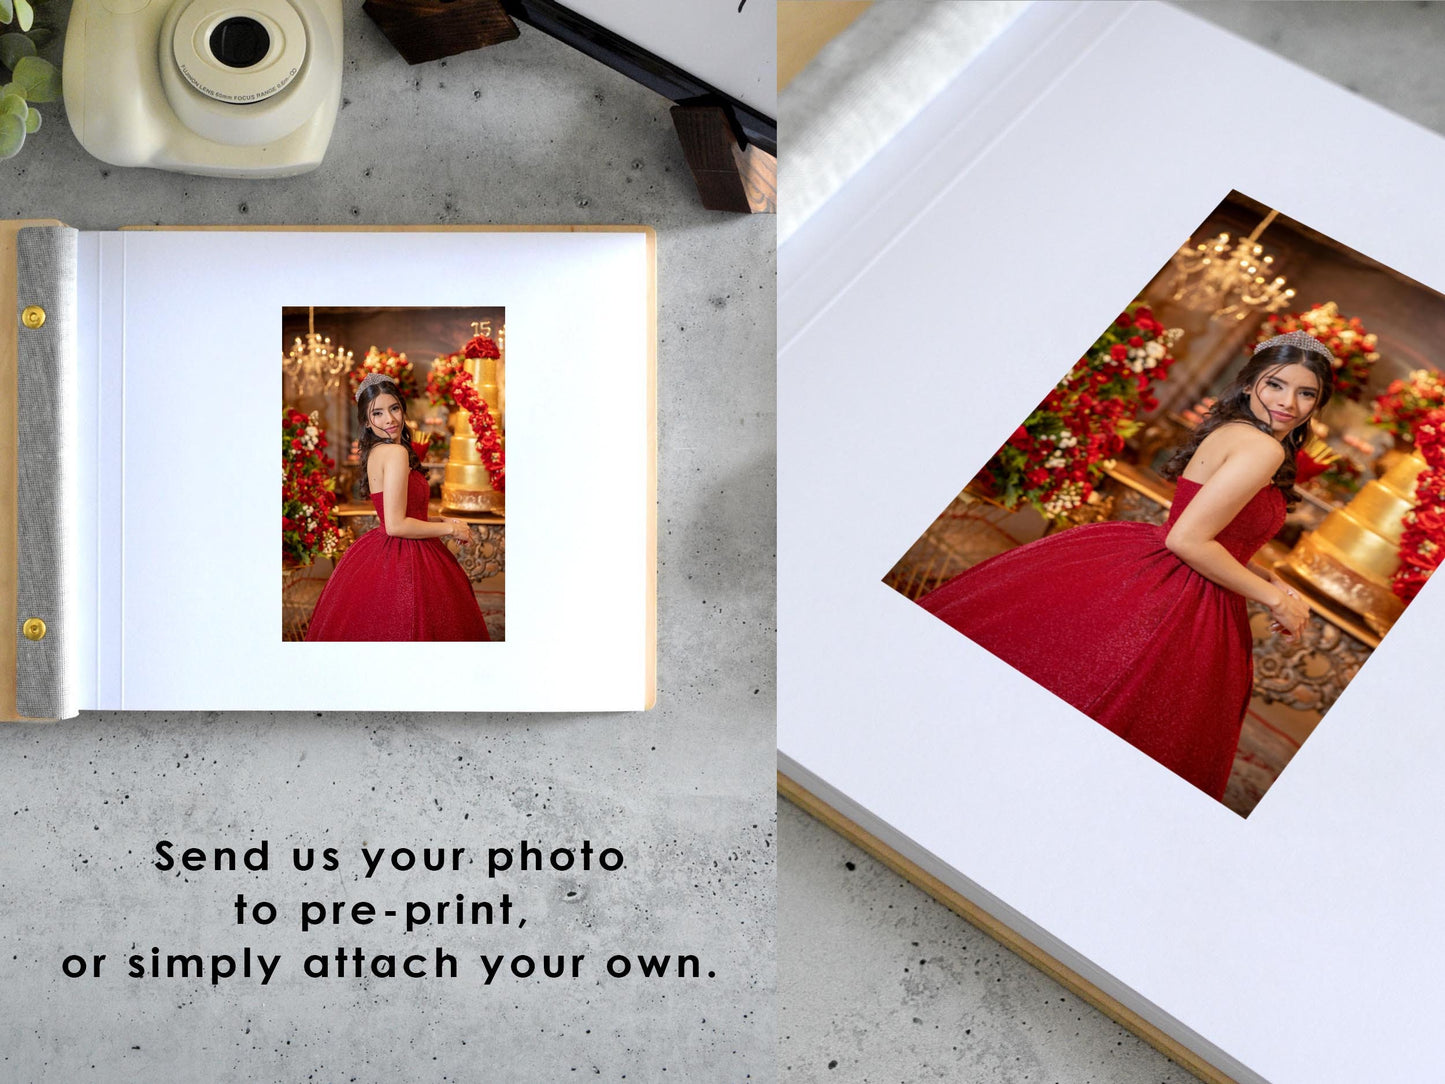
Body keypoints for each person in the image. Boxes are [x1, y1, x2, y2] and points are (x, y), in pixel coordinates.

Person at [916, 329, 1333, 799]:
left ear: (1318, 404)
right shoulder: (1264, 447)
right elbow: (1189, 538)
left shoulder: (1236, 433)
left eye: (1306, 393)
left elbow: (1206, 531)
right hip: (1176, 592)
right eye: (1276, 385)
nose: (1289, 403)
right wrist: (1276, 599)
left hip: (1150, 560)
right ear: (1248, 384)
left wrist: (1263, 575)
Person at [305, 373, 490, 641]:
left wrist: (437, 521)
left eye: (393, 408)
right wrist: (451, 527)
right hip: (405, 553)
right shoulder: (396, 453)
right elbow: (395, 525)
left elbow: (402, 511)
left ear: (402, 409)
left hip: (385, 547)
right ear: (367, 422)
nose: (389, 419)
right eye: (377, 413)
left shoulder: (377, 451)